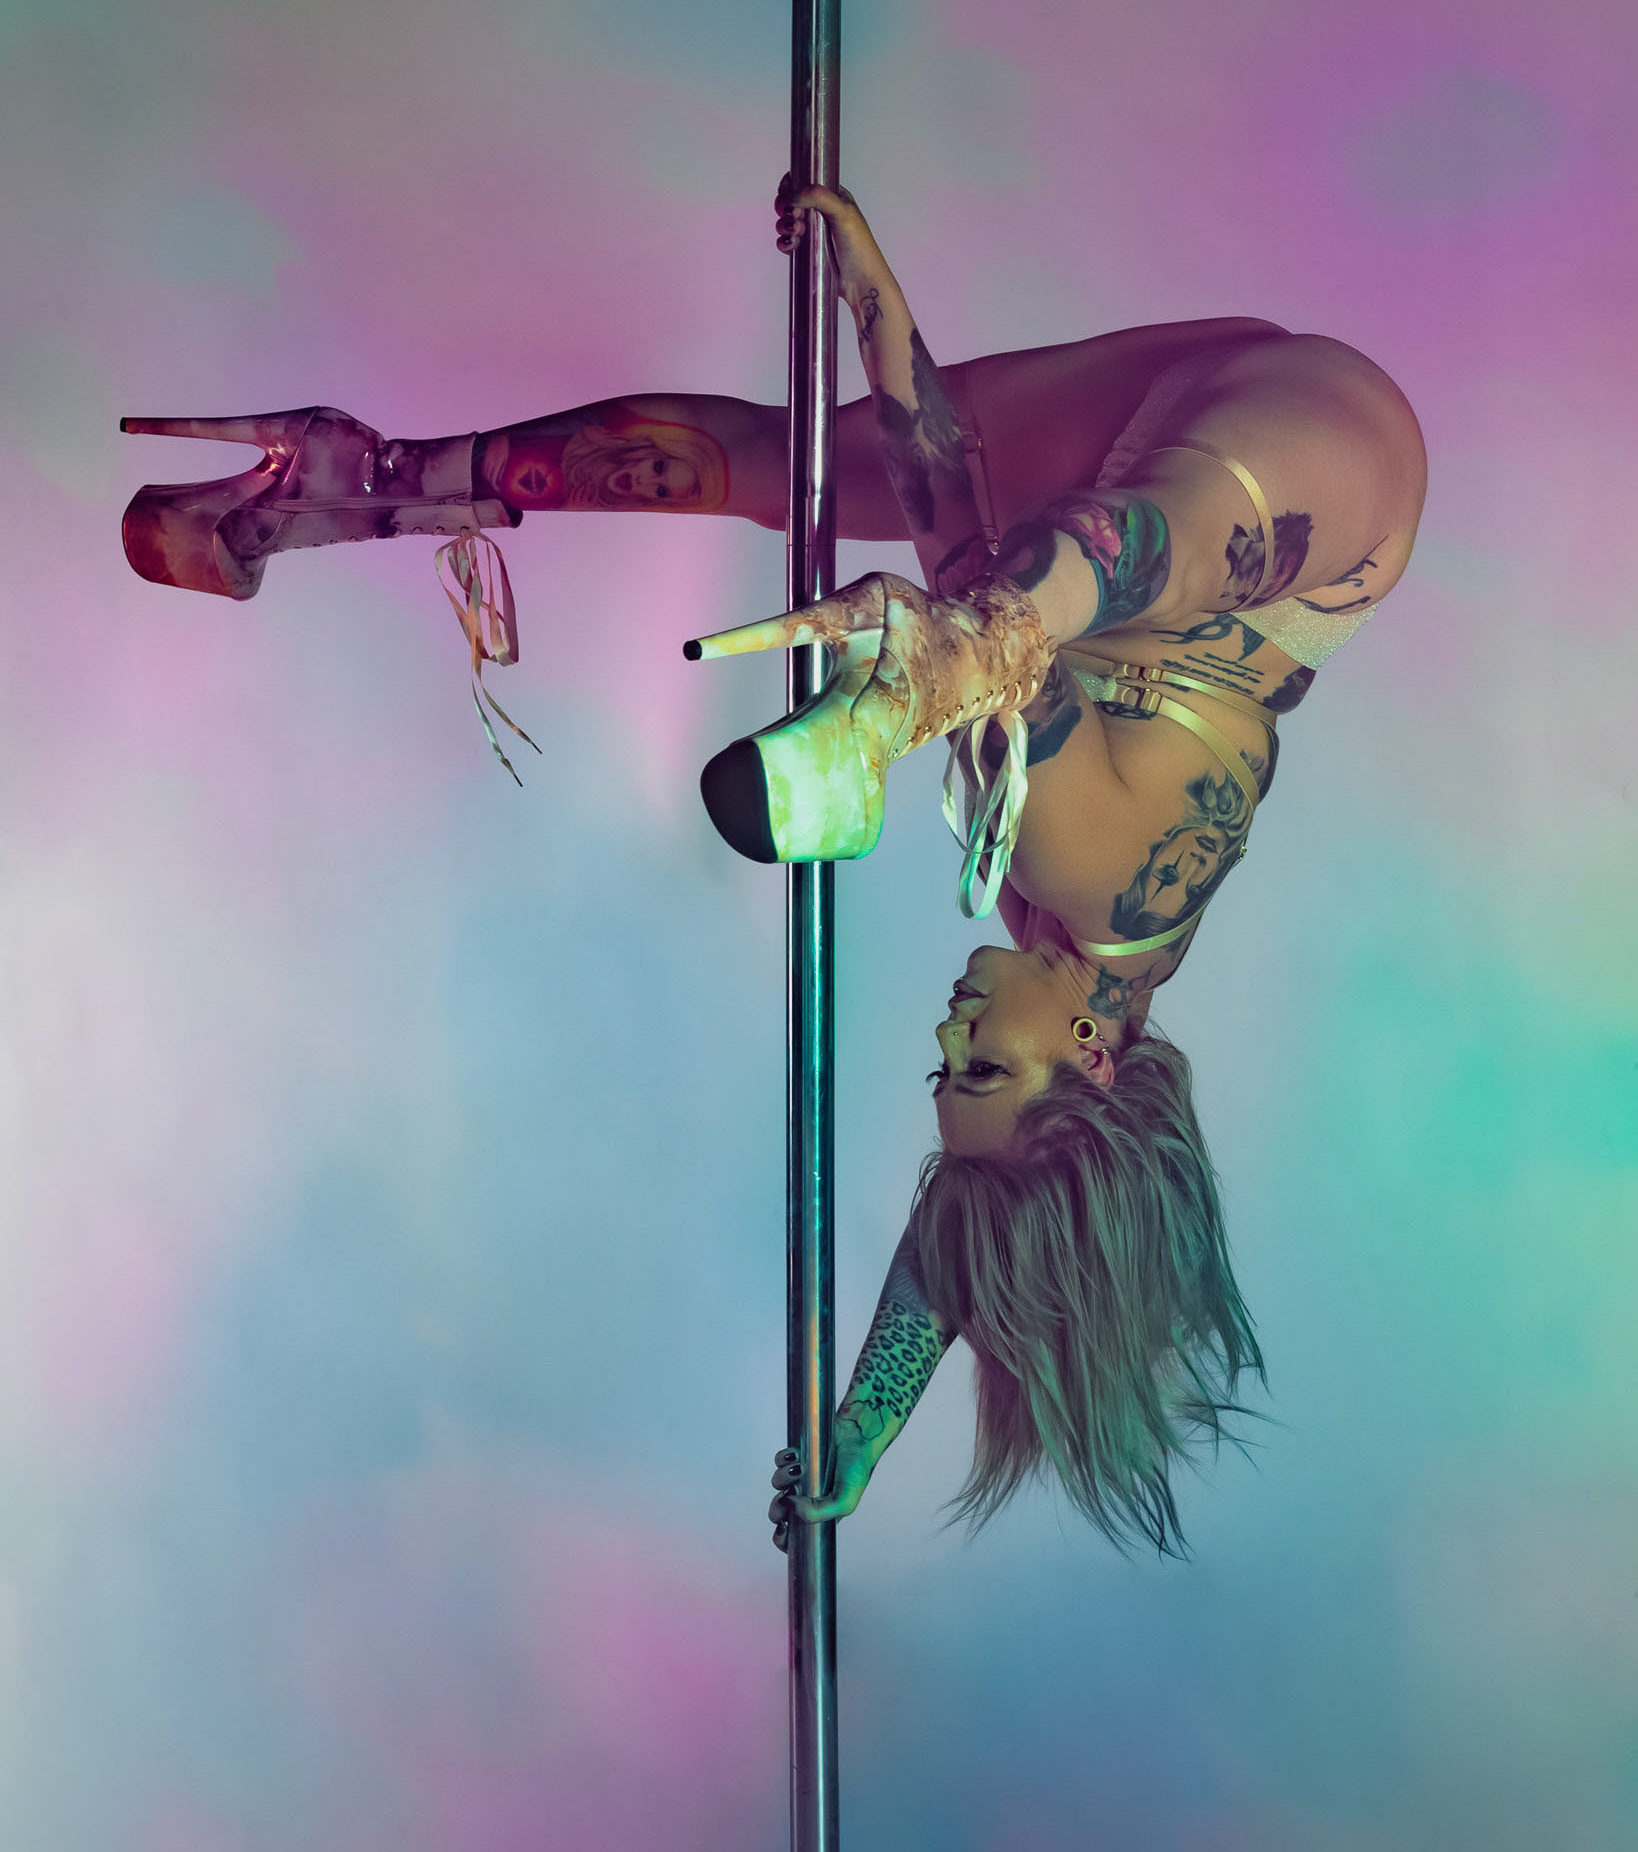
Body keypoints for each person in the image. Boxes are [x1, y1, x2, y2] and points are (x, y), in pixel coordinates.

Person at [120, 181, 1426, 1553]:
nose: (946, 1034)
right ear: (1094, 1064)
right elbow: (1093, 573)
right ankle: (946, 666)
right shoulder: (1085, 872)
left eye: (941, 1073)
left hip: (1163, 446)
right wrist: (969, 637)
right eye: (981, 1065)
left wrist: (861, 1430)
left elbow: (946, 1256)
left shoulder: (1071, 937)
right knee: (1098, 565)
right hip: (1312, 478)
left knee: (788, 472)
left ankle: (368, 478)